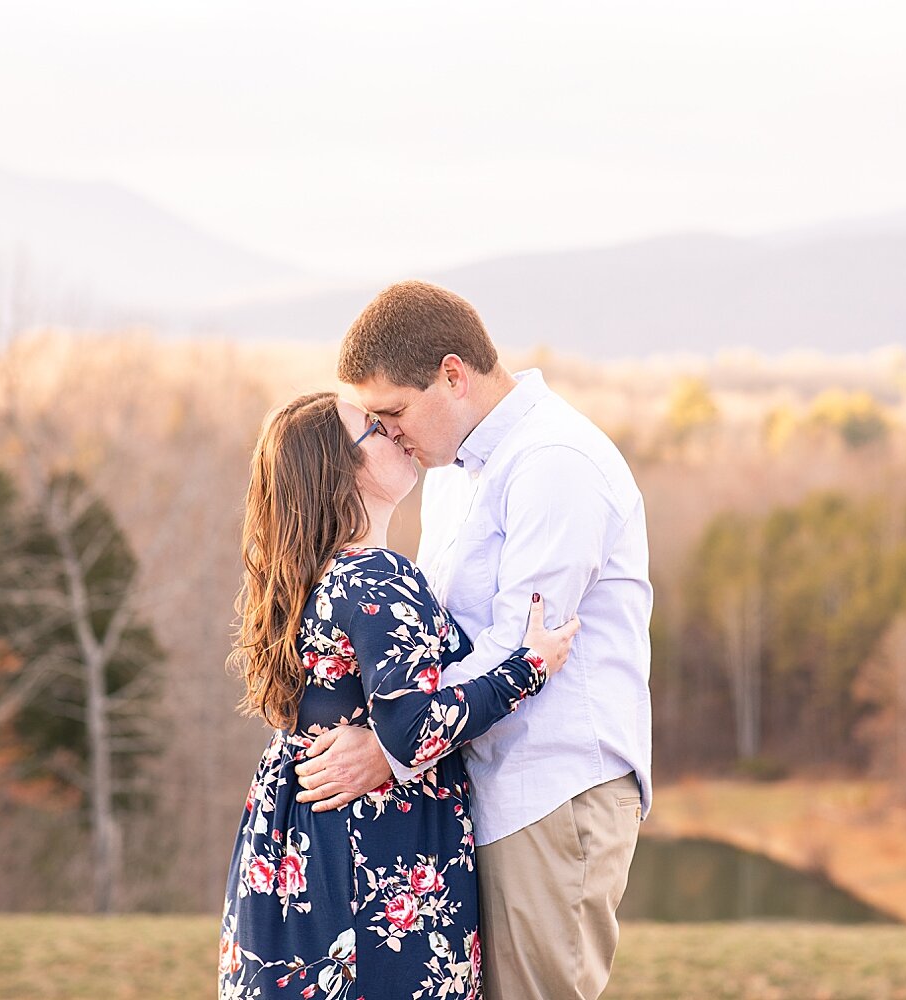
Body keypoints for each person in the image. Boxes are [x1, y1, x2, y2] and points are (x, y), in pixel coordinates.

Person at [294, 280, 652, 1000]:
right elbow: (439, 642)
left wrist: (392, 748)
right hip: (480, 786)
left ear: (453, 376)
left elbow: (519, 648)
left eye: (394, 411)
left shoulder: (555, 461)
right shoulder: (455, 473)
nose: (389, 433)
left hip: (551, 792)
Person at [220, 391, 579, 1000]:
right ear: (343, 471)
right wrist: (529, 667)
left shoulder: (309, 578)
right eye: (376, 429)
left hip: (294, 845)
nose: (395, 431)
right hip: (373, 859)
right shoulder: (379, 575)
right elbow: (415, 730)